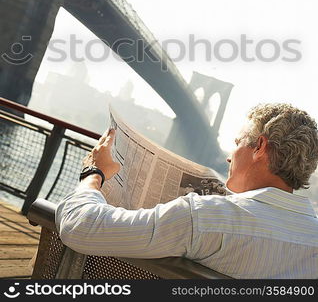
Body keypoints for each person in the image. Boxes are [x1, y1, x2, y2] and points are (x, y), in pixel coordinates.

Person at [56, 103, 318, 279]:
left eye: (237, 143)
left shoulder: (207, 218)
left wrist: (94, 174)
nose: (229, 157)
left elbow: (82, 228)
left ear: (260, 147)